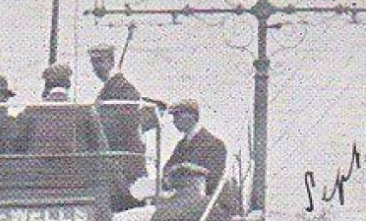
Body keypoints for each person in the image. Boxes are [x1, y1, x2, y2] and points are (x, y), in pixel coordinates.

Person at [89, 44, 155, 205]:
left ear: (111, 62)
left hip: (125, 169)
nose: (96, 68)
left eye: (99, 62)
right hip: (117, 166)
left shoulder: (125, 91)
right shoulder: (111, 90)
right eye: (93, 64)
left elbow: (118, 128)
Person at [19, 63, 107, 156]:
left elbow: (18, 144)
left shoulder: (31, 111)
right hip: (76, 168)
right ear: (68, 84)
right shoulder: (85, 110)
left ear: (46, 85)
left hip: (37, 168)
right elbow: (101, 146)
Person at [162, 99, 228, 198]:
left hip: (201, 205)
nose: (174, 121)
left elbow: (214, 179)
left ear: (192, 116)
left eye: (178, 115)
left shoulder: (215, 144)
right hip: (179, 200)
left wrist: (193, 170)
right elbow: (166, 170)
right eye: (174, 116)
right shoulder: (181, 145)